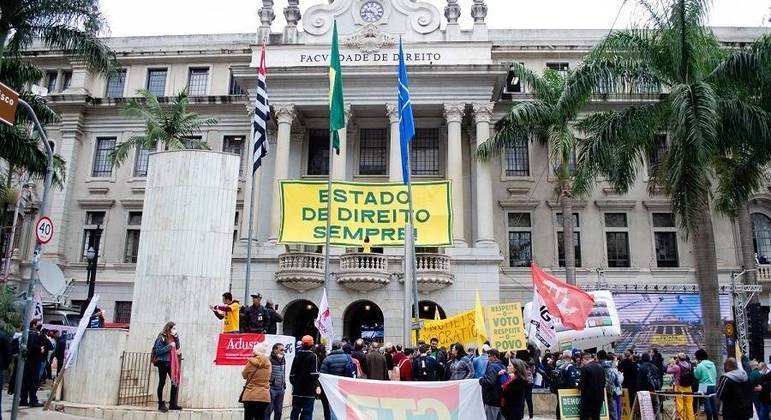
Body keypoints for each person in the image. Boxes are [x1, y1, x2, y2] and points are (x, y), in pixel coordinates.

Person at [153, 321, 182, 412]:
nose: (175, 330)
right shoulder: (162, 337)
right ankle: (160, 404)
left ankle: (172, 404)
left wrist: (176, 337)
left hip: (171, 362)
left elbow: (177, 347)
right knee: (162, 382)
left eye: (175, 328)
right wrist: (169, 346)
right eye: (173, 328)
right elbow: (157, 351)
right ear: (169, 328)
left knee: (175, 382)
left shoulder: (173, 337)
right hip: (162, 362)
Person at [289, 335, 319, 420]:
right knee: (307, 412)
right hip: (309, 391)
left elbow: (292, 375)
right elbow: (314, 374)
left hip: (297, 390)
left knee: (295, 411)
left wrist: (295, 384)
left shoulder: (297, 356)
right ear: (311, 345)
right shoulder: (313, 356)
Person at [241, 342, 271, 420]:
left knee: (248, 417)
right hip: (264, 395)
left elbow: (244, 375)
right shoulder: (268, 364)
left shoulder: (251, 363)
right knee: (261, 417)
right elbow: (269, 377)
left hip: (250, 394)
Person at [19, 321, 46, 407]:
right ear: (34, 325)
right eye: (38, 324)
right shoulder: (34, 335)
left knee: (26, 381)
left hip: (27, 360)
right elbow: (31, 345)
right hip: (33, 361)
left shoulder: (26, 334)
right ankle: (33, 400)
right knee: (33, 381)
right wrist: (40, 348)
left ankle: (23, 399)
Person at [578, 352, 606, 420]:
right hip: (599, 397)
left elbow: (582, 385)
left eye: (582, 361)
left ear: (584, 359)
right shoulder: (600, 367)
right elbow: (604, 382)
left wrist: (578, 386)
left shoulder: (585, 368)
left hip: (588, 398)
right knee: (596, 417)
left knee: (584, 417)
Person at [667, 352, 695, 420]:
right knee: (689, 404)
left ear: (678, 358)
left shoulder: (677, 366)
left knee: (680, 404)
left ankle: (681, 418)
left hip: (679, 387)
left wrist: (671, 365)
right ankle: (690, 418)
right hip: (688, 387)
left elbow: (668, 371)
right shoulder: (690, 365)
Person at [480, 349, 506, 420]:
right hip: (500, 399)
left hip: (492, 400)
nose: (487, 358)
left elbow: (490, 382)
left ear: (494, 357)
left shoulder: (492, 367)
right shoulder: (503, 366)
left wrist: (481, 380)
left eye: (489, 356)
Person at [694, 349, 718, 420]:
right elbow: (715, 375)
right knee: (713, 403)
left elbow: (697, 376)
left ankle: (709, 418)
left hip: (704, 386)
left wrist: (695, 368)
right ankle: (716, 418)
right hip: (713, 385)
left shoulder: (700, 365)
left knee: (707, 403)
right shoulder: (712, 364)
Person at [598, 350, 622, 420]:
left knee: (601, 412)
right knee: (612, 411)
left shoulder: (597, 366)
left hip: (600, 391)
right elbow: (617, 382)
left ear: (598, 357)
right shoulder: (612, 367)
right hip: (611, 391)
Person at [265, 343, 286, 420]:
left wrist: (284, 383)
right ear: (275, 350)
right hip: (272, 388)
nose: (282, 351)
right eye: (281, 350)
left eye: (283, 350)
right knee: (269, 410)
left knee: (279, 411)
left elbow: (283, 372)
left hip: (280, 388)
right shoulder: (269, 359)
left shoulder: (283, 359)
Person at [314, 344, 331, 420]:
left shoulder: (315, 358)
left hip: (315, 382)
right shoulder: (326, 359)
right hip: (324, 383)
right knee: (326, 404)